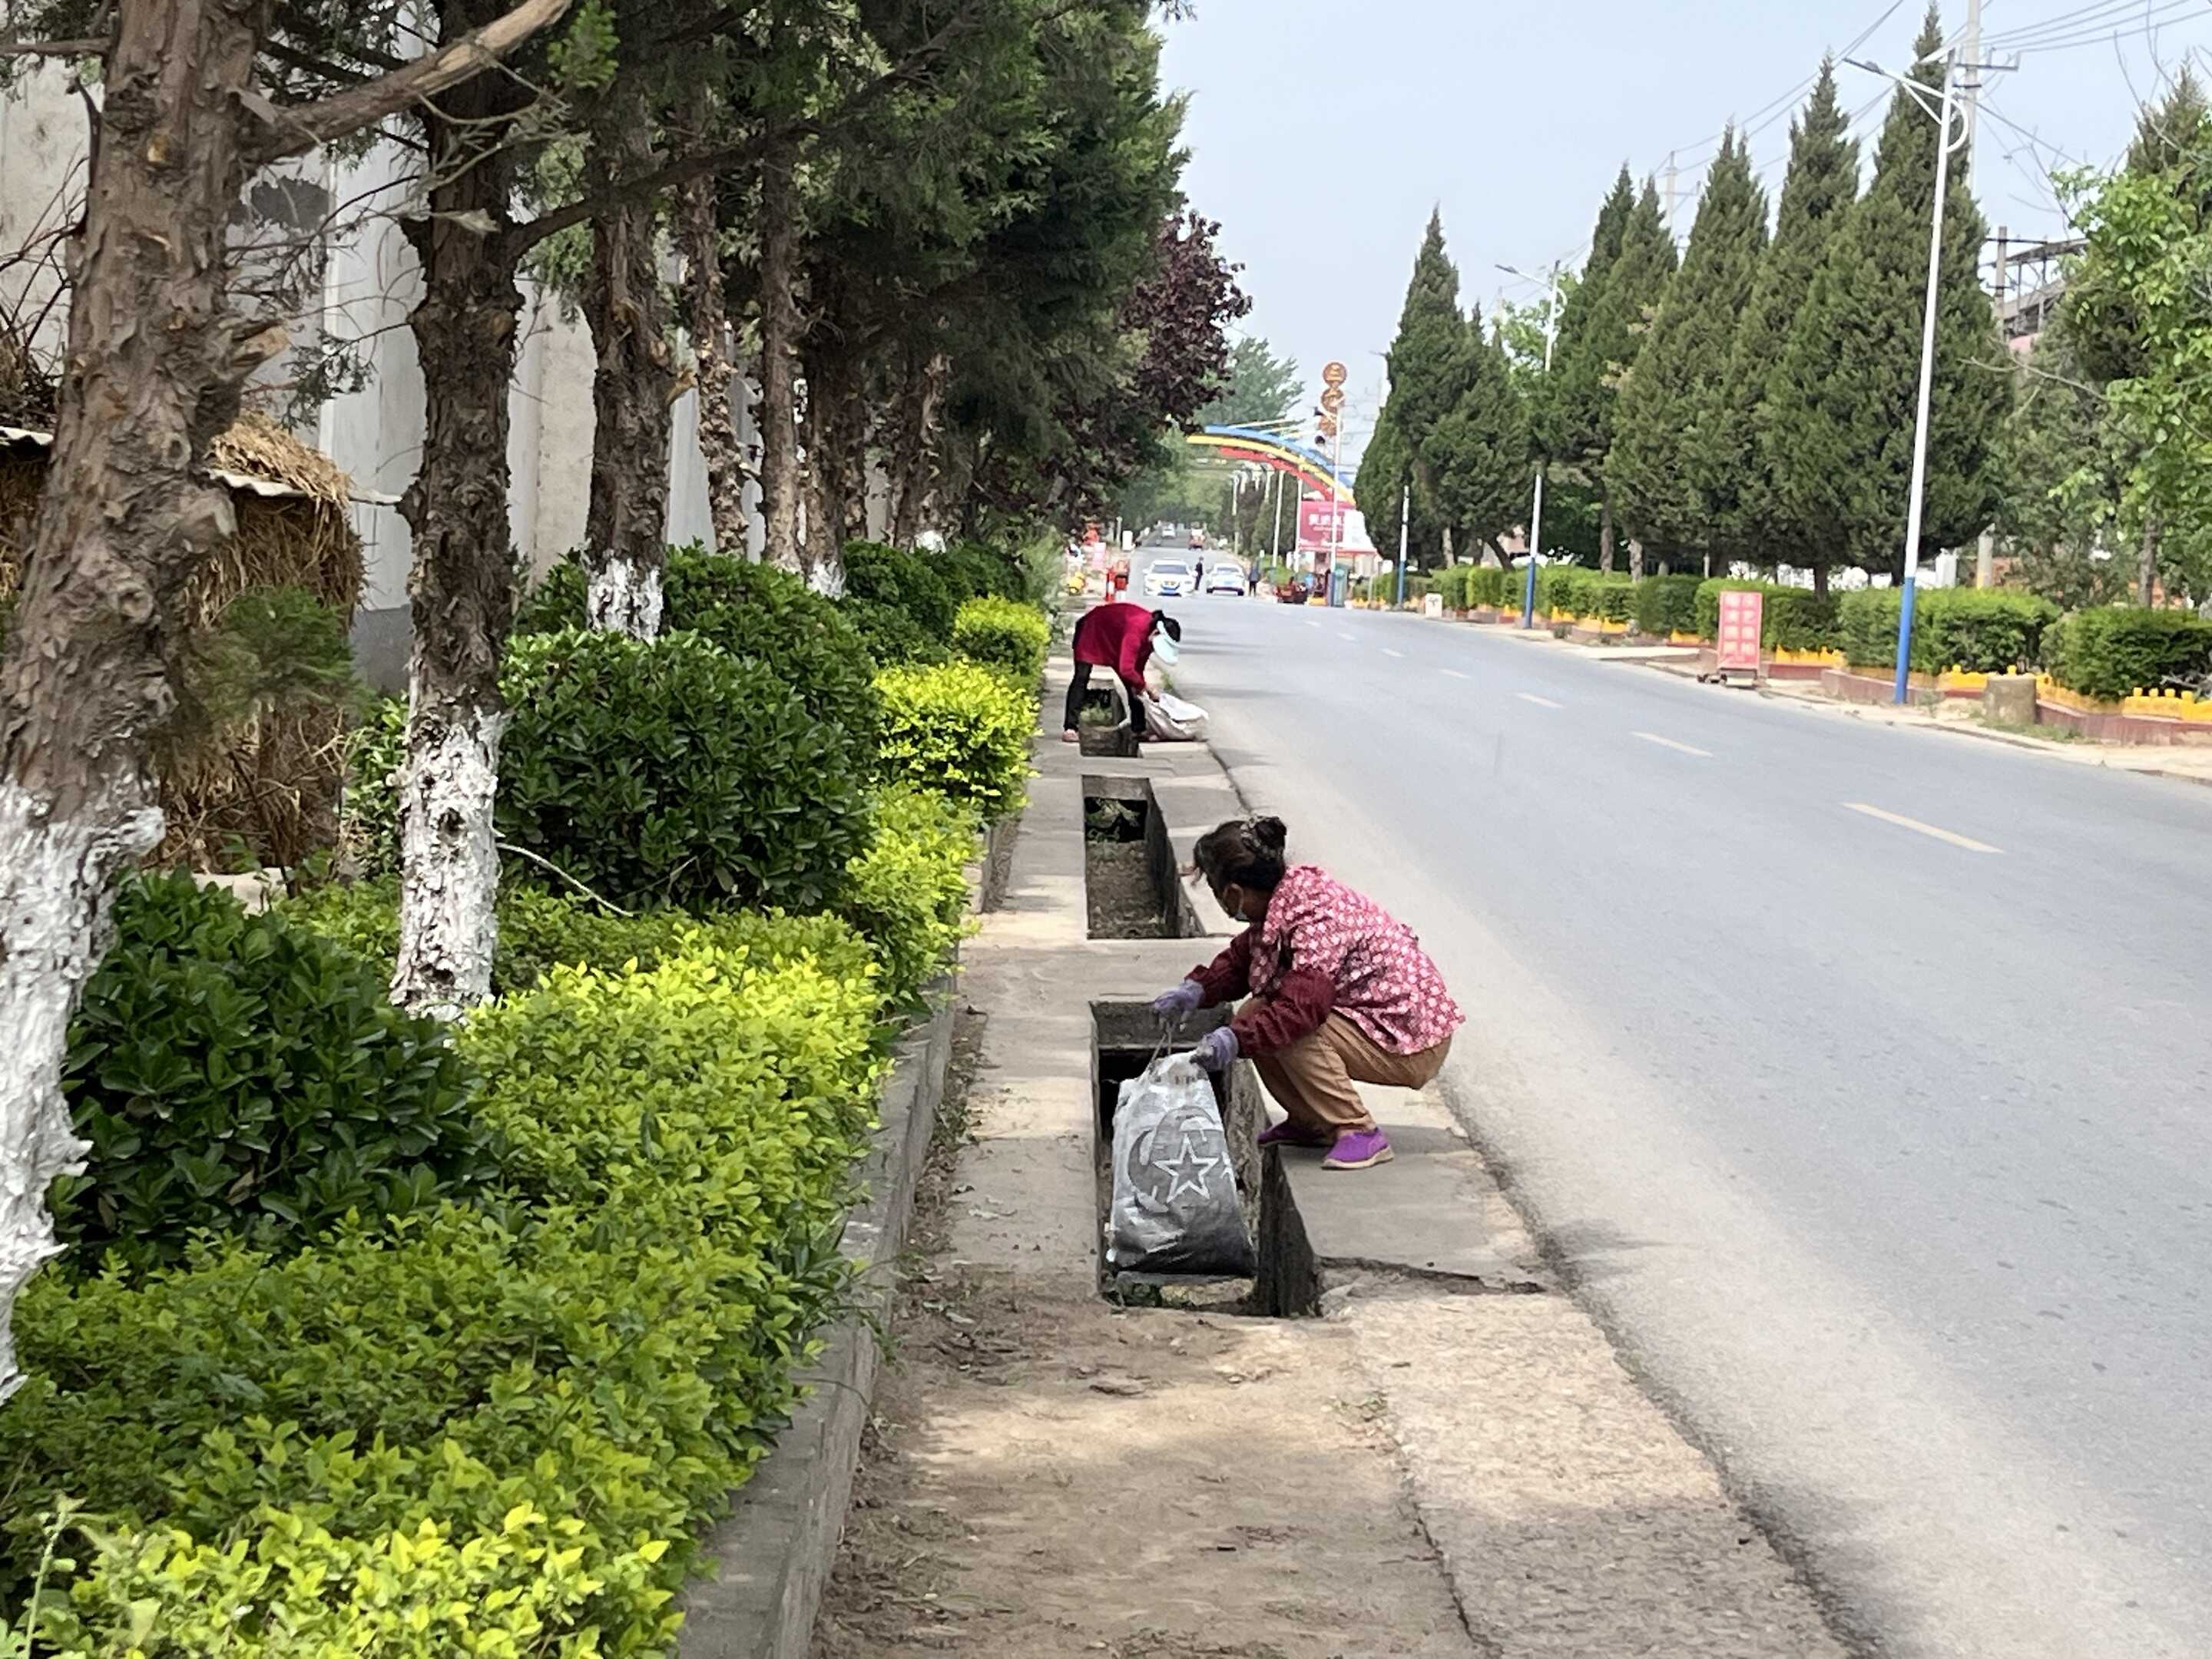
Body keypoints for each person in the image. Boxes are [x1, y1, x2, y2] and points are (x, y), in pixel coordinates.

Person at [1152, 816, 1460, 1171]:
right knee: (1254, 1014)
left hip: (1411, 1039)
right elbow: (1243, 959)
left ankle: (1358, 1129)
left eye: (1216, 891)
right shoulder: (1284, 902)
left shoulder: (1315, 920)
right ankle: (1311, 1120)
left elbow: (1302, 1010)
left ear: (1234, 892)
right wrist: (1198, 989)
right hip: (1377, 1022)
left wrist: (1234, 1041)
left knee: (1288, 1028)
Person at [1063, 602, 1179, 742]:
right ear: (1156, 633)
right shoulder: (1136, 631)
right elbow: (1127, 669)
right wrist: (1146, 687)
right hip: (1093, 629)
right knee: (1081, 677)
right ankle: (1071, 728)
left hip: (1116, 641)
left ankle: (1139, 728)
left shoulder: (1149, 640)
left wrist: (1141, 686)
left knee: (1134, 686)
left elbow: (1137, 669)